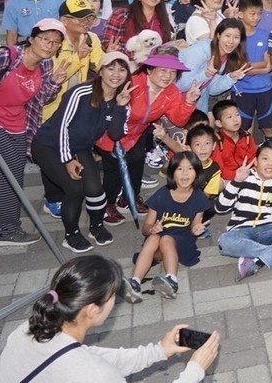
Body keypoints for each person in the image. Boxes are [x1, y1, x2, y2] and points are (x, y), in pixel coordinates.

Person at [0, 254, 218, 382]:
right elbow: (95, 369)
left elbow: (92, 358)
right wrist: (195, 370)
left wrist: (159, 350)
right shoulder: (98, 376)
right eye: (113, 296)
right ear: (92, 310)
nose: (115, 301)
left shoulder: (29, 329)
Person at [30, 52, 130, 252]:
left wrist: (120, 107)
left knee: (95, 190)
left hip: (80, 147)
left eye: (121, 69)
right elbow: (61, 126)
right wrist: (67, 160)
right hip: (48, 144)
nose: (116, 74)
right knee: (75, 189)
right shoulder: (81, 92)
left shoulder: (122, 99)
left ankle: (96, 227)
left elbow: (116, 134)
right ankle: (71, 235)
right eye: (110, 68)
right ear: (100, 70)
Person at [95, 48, 199, 226]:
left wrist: (189, 101)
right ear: (149, 70)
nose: (168, 76)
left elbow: (178, 120)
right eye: (163, 70)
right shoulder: (131, 83)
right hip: (112, 130)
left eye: (173, 72)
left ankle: (129, 198)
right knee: (113, 169)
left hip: (137, 134)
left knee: (137, 162)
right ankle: (108, 204)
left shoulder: (171, 91)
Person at [0, 19, 67, 246]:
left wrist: (54, 83)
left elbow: (40, 99)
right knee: (10, 177)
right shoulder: (6, 56)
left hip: (20, 124)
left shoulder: (45, 66)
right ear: (32, 38)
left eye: (55, 42)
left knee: (10, 175)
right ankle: (8, 230)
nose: (49, 45)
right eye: (45, 39)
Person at [122, 152, 211, 303]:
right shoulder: (162, 195)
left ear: (197, 173)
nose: (184, 173)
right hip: (159, 243)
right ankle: (135, 283)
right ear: (172, 173)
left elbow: (194, 227)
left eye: (190, 168)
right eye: (179, 169)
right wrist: (152, 229)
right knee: (154, 238)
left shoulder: (199, 198)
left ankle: (172, 280)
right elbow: (145, 229)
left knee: (166, 239)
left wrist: (196, 230)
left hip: (182, 242)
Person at [216, 141, 272, 280]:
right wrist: (236, 182)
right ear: (255, 161)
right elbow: (220, 208)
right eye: (265, 159)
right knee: (224, 242)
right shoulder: (243, 179)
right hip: (242, 232)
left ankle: (257, 260)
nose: (270, 164)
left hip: (271, 231)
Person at [102, 0, 174, 49]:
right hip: (125, 59)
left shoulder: (163, 17)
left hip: (157, 59)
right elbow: (107, 43)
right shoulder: (121, 14)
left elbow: (166, 44)